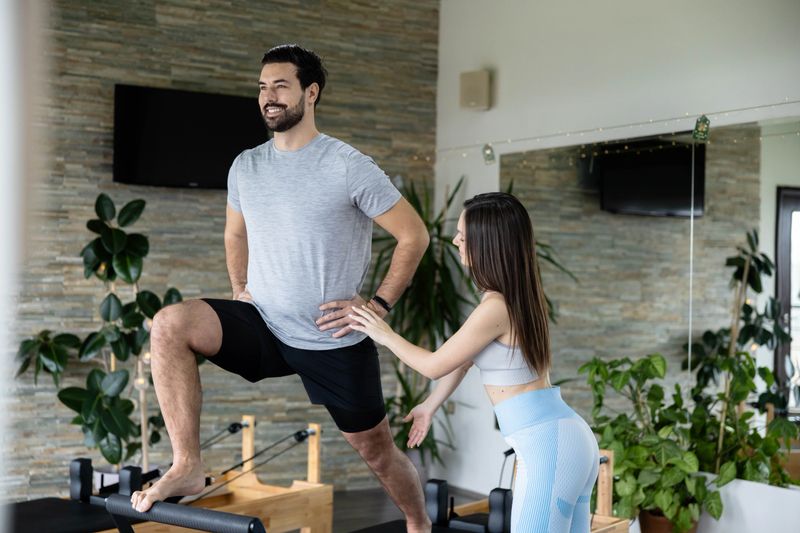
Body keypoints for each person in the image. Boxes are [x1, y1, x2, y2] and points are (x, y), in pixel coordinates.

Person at [130, 44, 434, 533]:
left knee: (376, 452)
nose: (268, 97)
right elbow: (235, 232)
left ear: (310, 93)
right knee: (169, 324)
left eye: (280, 86)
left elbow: (414, 234)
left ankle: (419, 523)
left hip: (331, 336)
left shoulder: (348, 165)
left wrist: (378, 305)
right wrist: (239, 288)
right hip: (264, 322)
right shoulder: (246, 166)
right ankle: (186, 463)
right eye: (262, 87)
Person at [349, 192, 600, 533]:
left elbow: (434, 364)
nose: (455, 241)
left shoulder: (495, 307)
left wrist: (383, 332)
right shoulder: (510, 297)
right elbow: (463, 362)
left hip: (548, 448)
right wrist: (429, 405)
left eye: (463, 236)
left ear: (487, 244)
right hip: (564, 439)